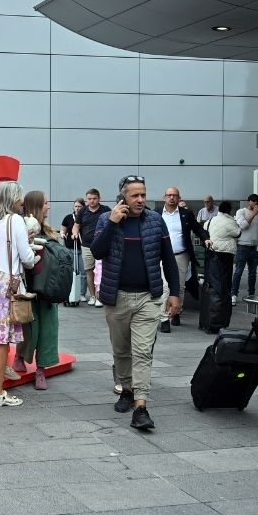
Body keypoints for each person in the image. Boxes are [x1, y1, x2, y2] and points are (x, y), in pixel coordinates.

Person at [91, 175, 181, 431]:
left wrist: (174, 293)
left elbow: (168, 259)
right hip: (116, 297)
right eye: (135, 195)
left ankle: (141, 406)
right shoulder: (106, 219)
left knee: (142, 351)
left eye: (143, 195)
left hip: (147, 298)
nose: (141, 200)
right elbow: (97, 251)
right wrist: (112, 223)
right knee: (121, 351)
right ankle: (127, 390)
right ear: (123, 197)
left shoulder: (155, 221)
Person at [0, 181, 39, 408]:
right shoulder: (16, 220)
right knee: (1, 340)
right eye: (20, 197)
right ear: (13, 198)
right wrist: (32, 249)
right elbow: (27, 258)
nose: (22, 201)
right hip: (5, 282)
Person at [14, 191, 60, 391]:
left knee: (48, 328)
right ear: (37, 206)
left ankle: (41, 369)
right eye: (46, 203)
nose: (48, 206)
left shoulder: (48, 230)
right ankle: (20, 356)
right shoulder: (23, 228)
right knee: (29, 326)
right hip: (30, 286)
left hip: (48, 287)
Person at [157, 187, 207, 332]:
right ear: (164, 197)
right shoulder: (157, 214)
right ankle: (164, 318)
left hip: (181, 256)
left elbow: (198, 228)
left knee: (179, 287)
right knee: (165, 287)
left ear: (179, 198)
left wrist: (206, 238)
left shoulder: (186, 214)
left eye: (174, 195)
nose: (172, 198)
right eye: (169, 195)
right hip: (162, 256)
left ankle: (176, 312)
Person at [203, 200, 239, 333]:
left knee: (212, 285)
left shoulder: (211, 220)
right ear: (229, 210)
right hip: (225, 256)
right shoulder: (230, 222)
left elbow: (204, 228)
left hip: (211, 255)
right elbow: (238, 233)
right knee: (223, 286)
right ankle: (219, 319)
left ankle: (208, 319)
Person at [71, 189, 109, 306]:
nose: (92, 201)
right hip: (87, 246)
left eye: (94, 199)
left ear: (99, 198)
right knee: (89, 271)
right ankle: (92, 296)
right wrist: (74, 233)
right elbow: (76, 226)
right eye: (89, 199)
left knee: (101, 271)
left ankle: (100, 296)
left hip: (102, 245)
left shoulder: (106, 210)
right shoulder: (83, 211)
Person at [231, 193, 258, 304]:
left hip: (254, 247)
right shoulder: (241, 212)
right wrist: (254, 214)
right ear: (249, 202)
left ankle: (251, 294)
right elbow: (242, 225)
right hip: (242, 245)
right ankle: (234, 294)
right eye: (254, 201)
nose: (256, 203)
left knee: (252, 273)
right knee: (238, 271)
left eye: (257, 201)